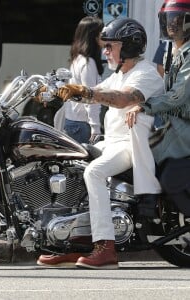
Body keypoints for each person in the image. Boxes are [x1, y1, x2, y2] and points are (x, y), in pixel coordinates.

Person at [37, 17, 164, 269]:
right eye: (105, 47)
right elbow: (96, 92)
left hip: (132, 144)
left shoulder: (146, 73)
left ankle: (105, 247)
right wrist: (58, 92)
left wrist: (86, 93)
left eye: (110, 46)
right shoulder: (119, 74)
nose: (105, 51)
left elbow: (123, 98)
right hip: (111, 142)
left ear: (128, 46)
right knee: (72, 164)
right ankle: (77, 241)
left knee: (94, 172)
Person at [126, 1, 190, 169]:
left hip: (185, 125)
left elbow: (177, 95)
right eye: (168, 18)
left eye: (178, 19)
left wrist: (143, 106)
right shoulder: (170, 50)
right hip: (173, 122)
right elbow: (164, 86)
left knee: (158, 167)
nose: (172, 23)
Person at [61, 16, 103, 144]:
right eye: (102, 33)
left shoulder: (77, 59)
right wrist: (95, 128)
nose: (105, 37)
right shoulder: (87, 63)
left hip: (74, 121)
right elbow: (91, 97)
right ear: (93, 36)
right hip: (82, 125)